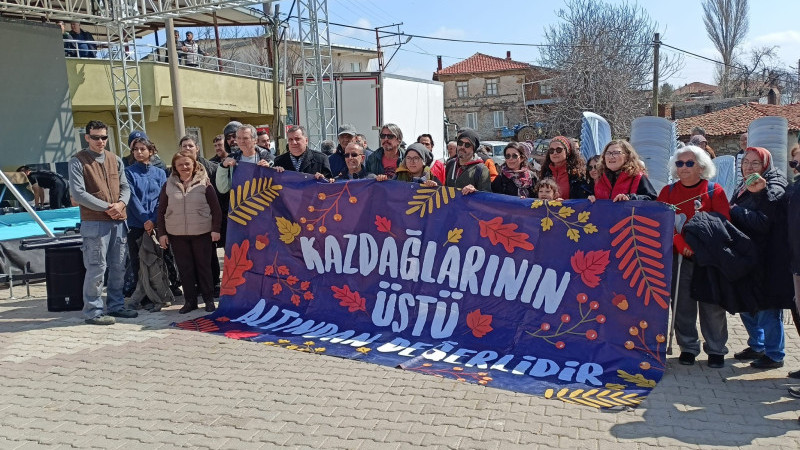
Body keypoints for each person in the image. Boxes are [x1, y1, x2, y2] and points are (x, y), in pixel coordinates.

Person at [657, 145, 730, 368]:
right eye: (680, 163)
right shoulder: (667, 193)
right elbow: (661, 223)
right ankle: (688, 347)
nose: (684, 167)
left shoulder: (714, 191)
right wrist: (678, 241)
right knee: (681, 305)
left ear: (701, 166)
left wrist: (699, 243)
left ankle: (716, 348)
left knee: (712, 306)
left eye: (690, 163)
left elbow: (723, 224)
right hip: (679, 258)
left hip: (708, 259)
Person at [729, 147, 794, 369]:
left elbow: (764, 221)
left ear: (766, 164)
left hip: (768, 258)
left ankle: (775, 354)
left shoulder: (773, 184)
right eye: (746, 162)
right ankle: (757, 345)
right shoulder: (744, 183)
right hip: (748, 255)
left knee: (767, 307)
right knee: (746, 304)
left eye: (755, 163)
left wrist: (734, 211)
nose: (749, 167)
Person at [68, 120, 137, 325]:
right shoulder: (77, 161)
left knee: (118, 267)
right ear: (87, 137)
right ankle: (93, 311)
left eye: (104, 137)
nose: (100, 141)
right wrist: (109, 207)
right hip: (95, 223)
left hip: (118, 222)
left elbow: (126, 187)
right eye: (96, 137)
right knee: (97, 267)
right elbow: (78, 194)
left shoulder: (115, 159)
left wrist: (121, 204)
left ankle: (116, 306)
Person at [157, 150, 222, 313]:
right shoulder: (168, 184)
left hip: (202, 233)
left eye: (187, 163)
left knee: (204, 268)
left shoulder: (205, 183)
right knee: (185, 270)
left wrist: (215, 230)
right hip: (177, 235)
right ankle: (190, 302)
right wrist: (162, 233)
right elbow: (161, 211)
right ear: (175, 167)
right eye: (180, 164)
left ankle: (208, 301)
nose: (184, 167)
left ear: (194, 165)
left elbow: (216, 209)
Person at [122, 137, 168, 303]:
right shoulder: (128, 172)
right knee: (138, 261)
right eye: (136, 149)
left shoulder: (160, 173)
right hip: (136, 224)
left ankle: (158, 291)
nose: (139, 152)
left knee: (157, 259)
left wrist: (153, 220)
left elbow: (162, 199)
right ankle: (143, 295)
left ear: (151, 151)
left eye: (142, 149)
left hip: (157, 223)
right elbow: (132, 198)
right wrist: (145, 220)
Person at [588, 140, 656, 203]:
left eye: (616, 153)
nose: (611, 157)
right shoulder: (599, 178)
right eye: (608, 153)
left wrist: (630, 197)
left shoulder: (637, 177)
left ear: (627, 156)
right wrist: (592, 199)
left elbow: (652, 200)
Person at [216, 124, 274, 193]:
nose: (241, 141)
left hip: (263, 201)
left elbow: (277, 184)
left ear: (255, 140)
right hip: (240, 202)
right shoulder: (231, 159)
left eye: (245, 138)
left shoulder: (267, 157)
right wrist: (223, 167)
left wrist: (270, 170)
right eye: (238, 138)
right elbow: (222, 189)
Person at [445, 128, 491, 194]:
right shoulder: (450, 164)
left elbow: (486, 196)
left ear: (473, 149)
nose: (462, 147)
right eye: (460, 143)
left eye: (467, 145)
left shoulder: (481, 169)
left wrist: (475, 191)